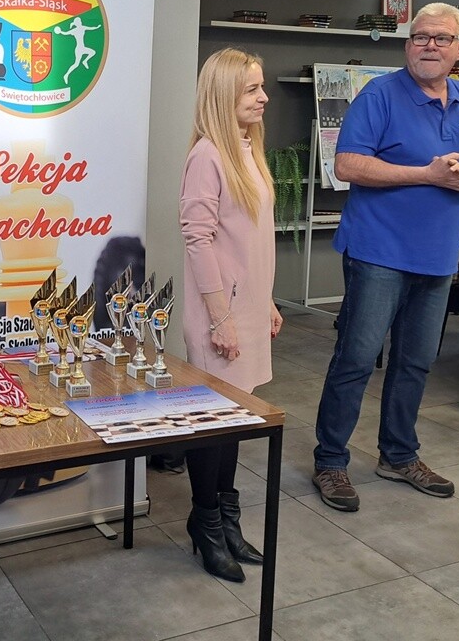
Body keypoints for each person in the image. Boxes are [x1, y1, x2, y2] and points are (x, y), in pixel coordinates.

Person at [311, 3, 459, 512]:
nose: (429, 46)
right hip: (378, 253)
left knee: (415, 363)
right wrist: (427, 174)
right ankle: (330, 461)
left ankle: (398, 455)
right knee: (356, 360)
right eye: (420, 36)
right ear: (408, 45)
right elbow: (347, 164)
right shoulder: (379, 95)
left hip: (438, 257)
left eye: (441, 38)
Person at [179, 48, 284, 582]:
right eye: (252, 89)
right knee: (212, 425)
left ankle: (226, 521)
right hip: (219, 314)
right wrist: (221, 318)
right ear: (223, 95)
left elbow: (252, 241)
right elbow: (197, 239)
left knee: (234, 421)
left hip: (246, 309)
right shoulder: (208, 155)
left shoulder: (248, 149)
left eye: (262, 87)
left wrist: (266, 301)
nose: (264, 98)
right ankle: (206, 524)